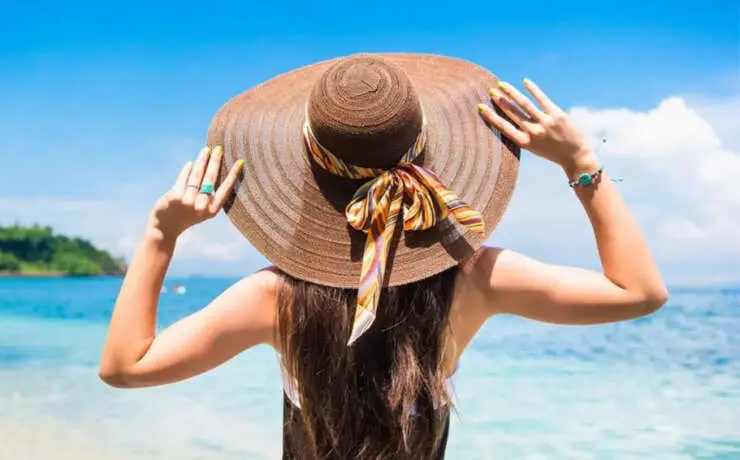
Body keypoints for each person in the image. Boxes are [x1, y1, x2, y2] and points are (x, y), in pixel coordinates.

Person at [99, 54, 668, 459]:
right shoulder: (476, 276)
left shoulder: (275, 298)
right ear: (424, 150)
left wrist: (160, 235)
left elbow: (125, 367)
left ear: (309, 166)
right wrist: (580, 162)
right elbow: (639, 293)